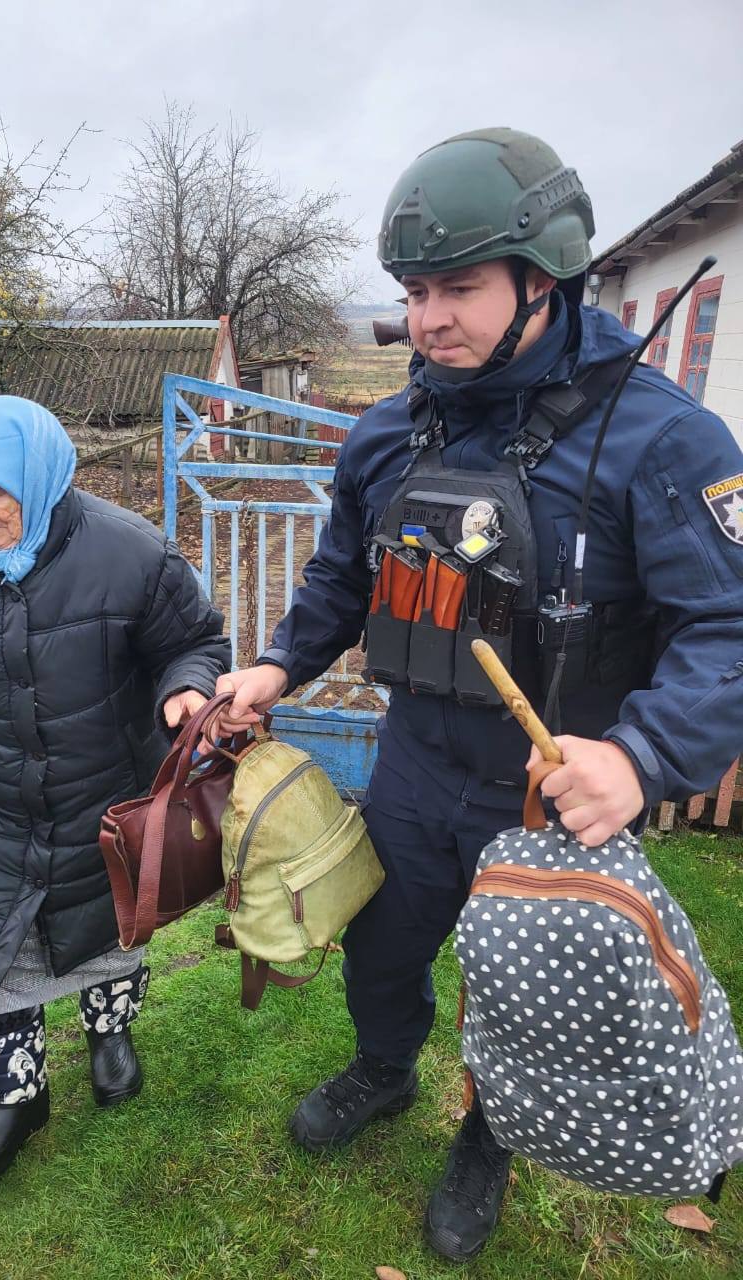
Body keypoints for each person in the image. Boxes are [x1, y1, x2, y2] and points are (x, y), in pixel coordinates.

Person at [209, 128, 743, 1261]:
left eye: (459, 287)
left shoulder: (662, 440)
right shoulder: (389, 434)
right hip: (414, 763)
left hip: (550, 796)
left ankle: (489, 1134)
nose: (429, 318)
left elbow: (726, 627)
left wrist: (641, 757)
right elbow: (342, 579)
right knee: (383, 948)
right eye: (415, 292)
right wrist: (277, 664)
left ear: (544, 279)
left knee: (522, 992)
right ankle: (386, 1068)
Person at [0, 395, 229, 1187]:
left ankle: (110, 1034)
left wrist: (187, 687)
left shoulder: (133, 554)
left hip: (106, 795)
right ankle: (15, 1096)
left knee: (109, 931)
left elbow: (195, 641)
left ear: (41, 476)